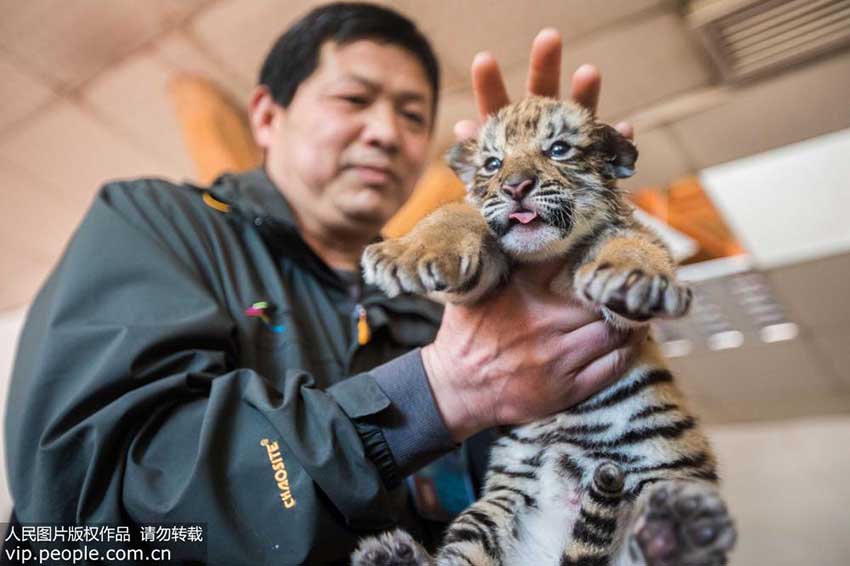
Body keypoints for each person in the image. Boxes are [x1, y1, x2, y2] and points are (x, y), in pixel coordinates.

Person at [4, 3, 642, 564]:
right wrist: (439, 391)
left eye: (413, 116)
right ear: (266, 116)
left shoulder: (439, 314)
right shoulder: (158, 224)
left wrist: (569, 338)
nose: (387, 133)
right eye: (354, 99)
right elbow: (78, 518)